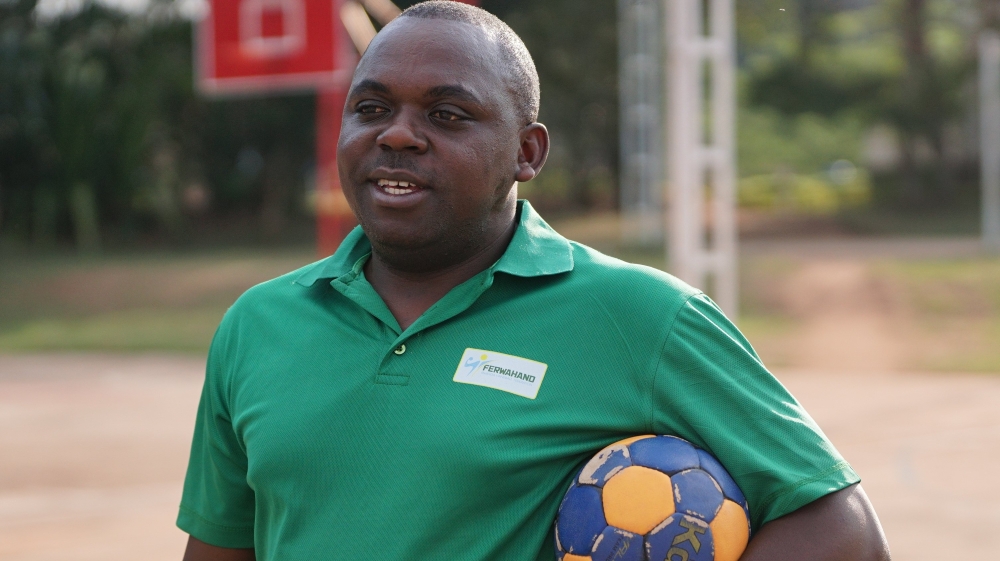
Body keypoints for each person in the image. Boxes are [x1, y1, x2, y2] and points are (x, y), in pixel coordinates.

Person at [178, 2, 891, 560]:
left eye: (447, 114)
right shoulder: (258, 324)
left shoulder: (642, 317)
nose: (397, 134)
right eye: (371, 108)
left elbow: (844, 533)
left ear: (527, 151)